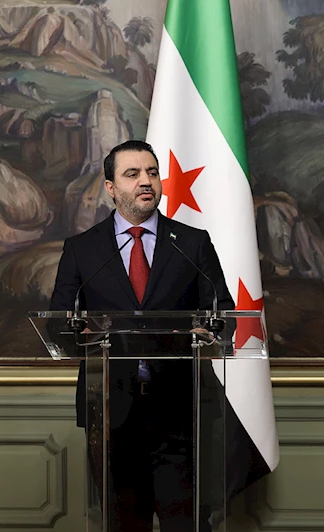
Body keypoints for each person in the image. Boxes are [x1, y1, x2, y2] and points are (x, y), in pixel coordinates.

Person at [49, 140, 234, 532]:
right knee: (124, 524)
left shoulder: (192, 242)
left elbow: (224, 314)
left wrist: (208, 330)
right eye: (132, 174)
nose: (145, 181)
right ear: (111, 187)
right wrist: (79, 333)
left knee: (186, 522)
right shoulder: (82, 249)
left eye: (152, 172)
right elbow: (57, 322)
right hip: (110, 409)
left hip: (182, 408)